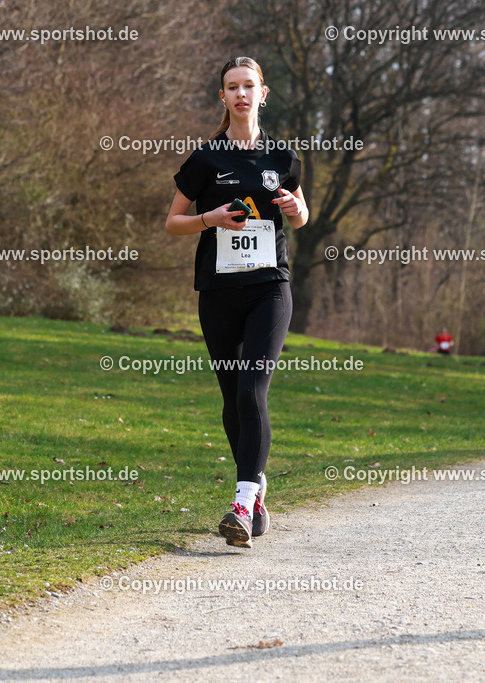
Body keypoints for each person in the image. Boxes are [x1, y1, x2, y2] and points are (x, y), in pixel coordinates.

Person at [164, 57, 308, 548]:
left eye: (249, 86)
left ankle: (242, 504)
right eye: (232, 87)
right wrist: (211, 219)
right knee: (232, 398)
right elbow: (172, 223)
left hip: (270, 288)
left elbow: (301, 214)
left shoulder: (283, 157)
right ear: (222, 97)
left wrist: (296, 208)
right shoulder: (206, 159)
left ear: (263, 94)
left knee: (251, 391)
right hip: (219, 292)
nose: (241, 94)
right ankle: (257, 487)